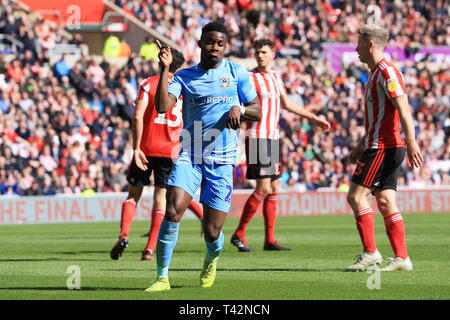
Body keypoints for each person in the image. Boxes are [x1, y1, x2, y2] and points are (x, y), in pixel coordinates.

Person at [145, 21, 261, 292]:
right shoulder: (184, 77)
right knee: (172, 210)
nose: (215, 48)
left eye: (220, 44)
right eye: (210, 42)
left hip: (222, 160)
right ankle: (162, 277)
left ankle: (211, 258)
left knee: (212, 231)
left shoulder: (237, 73)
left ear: (225, 47)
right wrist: (164, 70)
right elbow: (162, 106)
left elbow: (257, 110)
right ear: (199, 44)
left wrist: (240, 110)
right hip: (190, 155)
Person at [230, 39, 331, 252]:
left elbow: (286, 104)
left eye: (264, 52)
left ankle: (270, 240)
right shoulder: (249, 77)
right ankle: (239, 234)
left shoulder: (276, 76)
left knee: (274, 187)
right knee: (264, 187)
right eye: (257, 52)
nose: (260, 55)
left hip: (273, 137)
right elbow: (238, 105)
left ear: (273, 54)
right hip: (257, 136)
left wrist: (312, 117)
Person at [109, 48, 204, 262]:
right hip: (171, 151)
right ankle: (149, 250)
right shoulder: (184, 88)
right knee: (161, 200)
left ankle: (124, 235)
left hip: (146, 148)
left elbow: (137, 116)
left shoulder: (148, 84)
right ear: (179, 67)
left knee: (133, 195)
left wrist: (136, 148)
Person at [345, 24, 423, 272]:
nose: (356, 49)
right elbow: (381, 117)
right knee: (387, 201)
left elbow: (403, 107)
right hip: (381, 145)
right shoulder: (375, 73)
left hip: (384, 147)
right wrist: (361, 143)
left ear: (370, 45)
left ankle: (371, 253)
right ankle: (402, 258)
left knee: (356, 196)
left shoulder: (387, 72)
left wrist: (411, 140)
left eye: (359, 44)